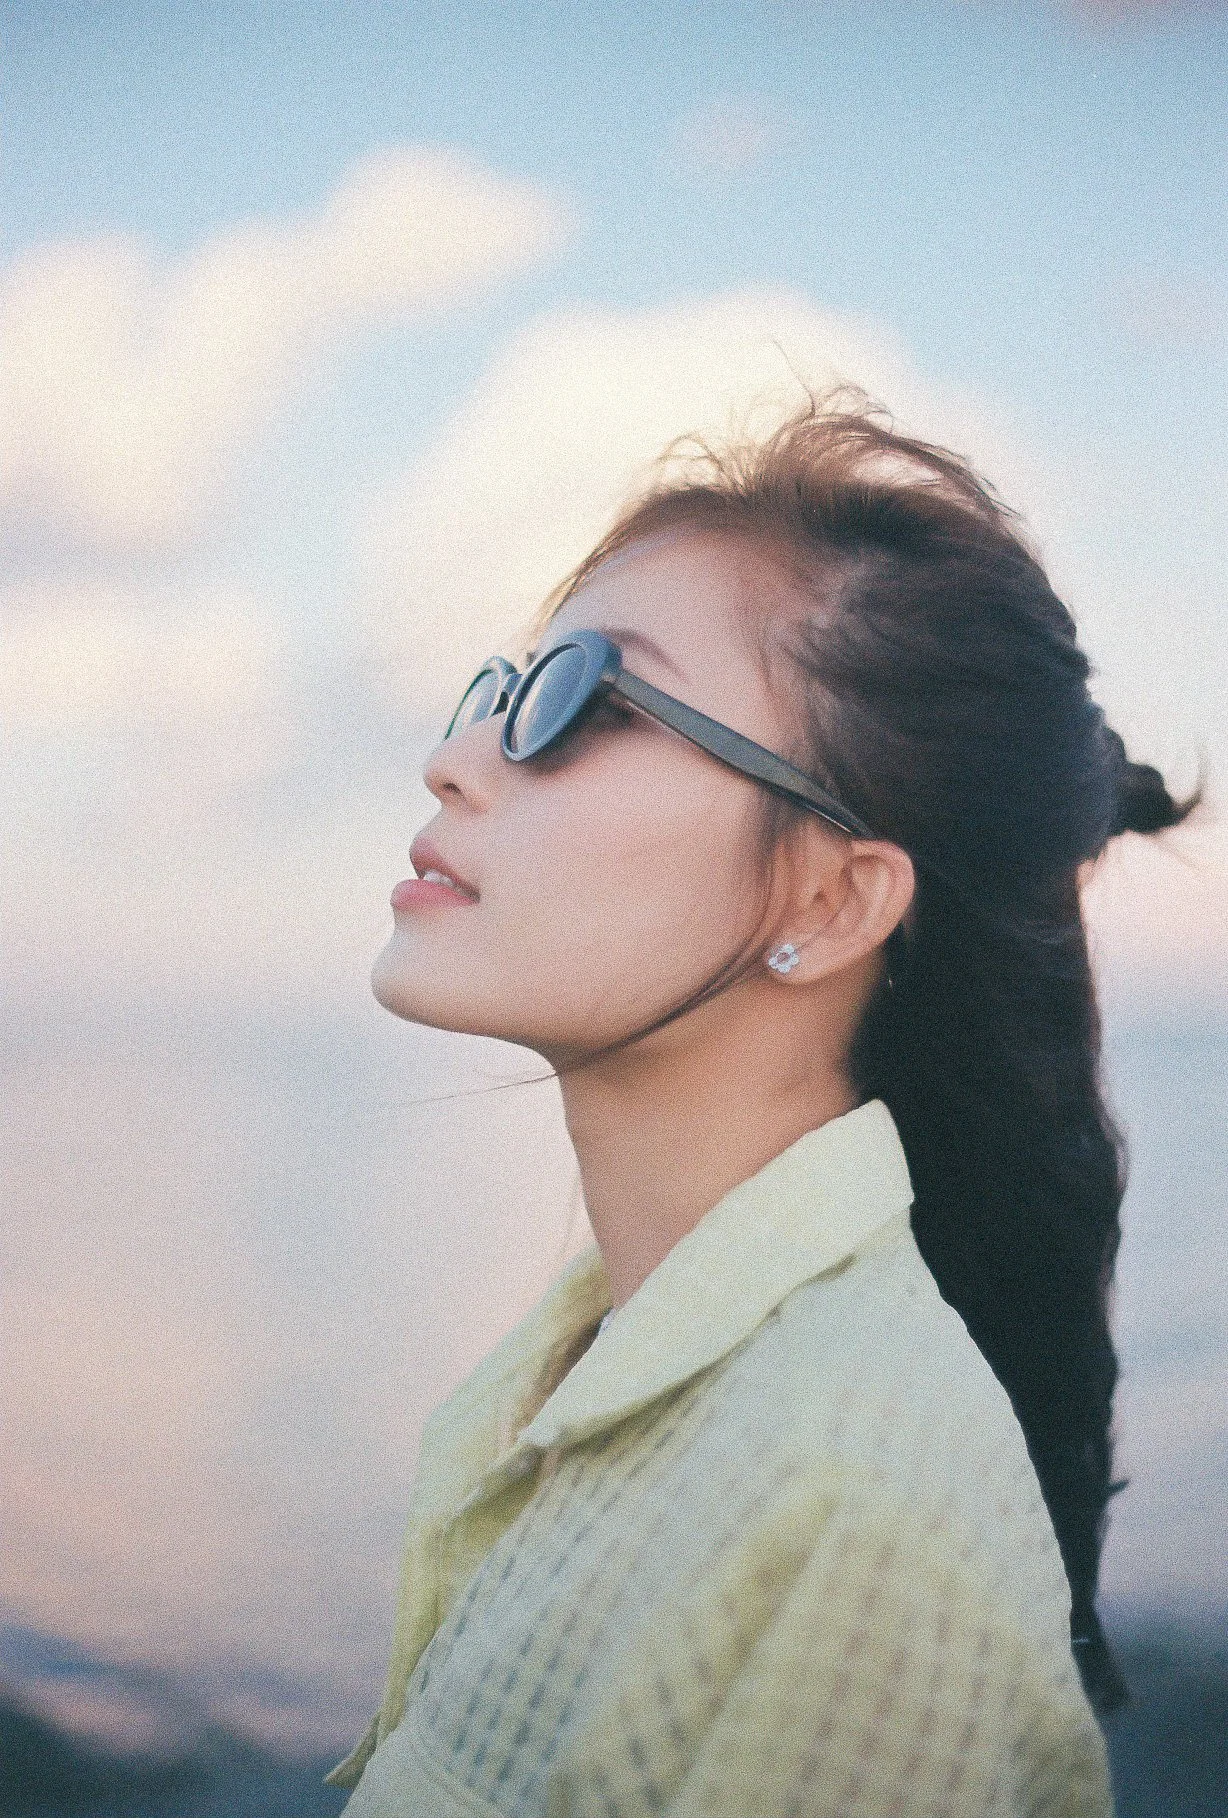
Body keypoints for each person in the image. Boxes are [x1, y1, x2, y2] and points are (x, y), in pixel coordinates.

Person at [328, 394, 1201, 1817]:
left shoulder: (857, 1508)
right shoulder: (590, 1367)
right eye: (502, 688)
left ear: (833, 899)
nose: (457, 757)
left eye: (591, 702)